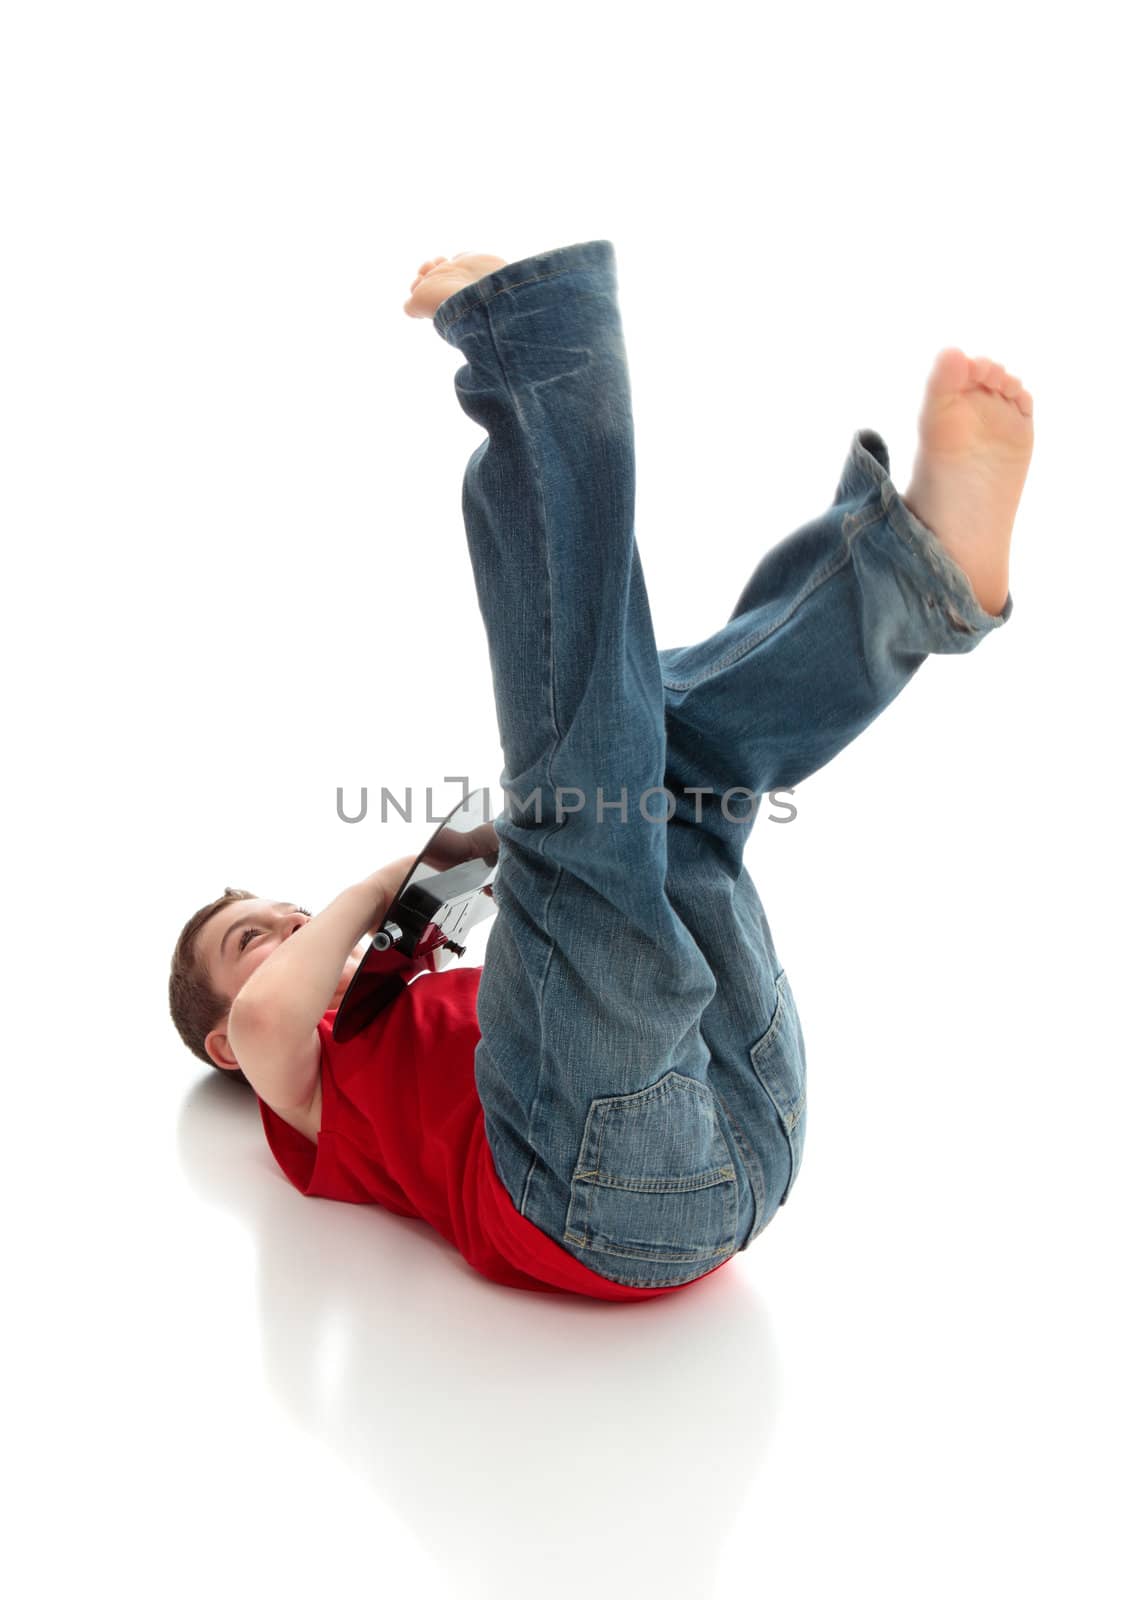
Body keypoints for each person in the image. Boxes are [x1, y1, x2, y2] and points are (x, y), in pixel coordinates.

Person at [168, 240, 1033, 1300]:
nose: (294, 929)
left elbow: (568, 888)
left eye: (282, 913)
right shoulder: (300, 1089)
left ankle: (917, 576)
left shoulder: (407, 988)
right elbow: (270, 1016)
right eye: (252, 938)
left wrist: (453, 882)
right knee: (573, 804)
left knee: (657, 772)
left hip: (738, 1098)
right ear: (216, 1041)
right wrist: (365, 894)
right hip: (597, 1195)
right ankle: (536, 359)